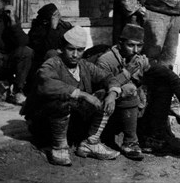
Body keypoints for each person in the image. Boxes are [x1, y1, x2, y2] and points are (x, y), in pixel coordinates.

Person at [20, 26, 122, 166]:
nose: (75, 54)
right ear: (62, 48)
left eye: (80, 50)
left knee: (104, 95)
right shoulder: (52, 64)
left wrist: (112, 93)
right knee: (61, 98)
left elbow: (108, 77)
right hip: (45, 125)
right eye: (71, 49)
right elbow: (46, 84)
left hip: (72, 123)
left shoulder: (84, 65)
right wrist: (83, 94)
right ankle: (59, 147)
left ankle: (91, 143)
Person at [96, 24, 180, 159]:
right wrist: (128, 72)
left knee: (163, 84)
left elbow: (167, 75)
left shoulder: (139, 59)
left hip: (130, 111)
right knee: (129, 89)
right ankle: (129, 142)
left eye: (139, 46)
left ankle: (155, 136)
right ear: (120, 43)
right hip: (107, 112)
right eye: (130, 45)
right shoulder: (105, 61)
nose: (135, 50)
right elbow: (106, 89)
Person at [28, 3, 72, 86]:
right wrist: (53, 28)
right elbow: (47, 48)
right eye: (55, 15)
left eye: (58, 14)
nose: (58, 17)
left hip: (64, 59)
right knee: (52, 53)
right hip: (43, 62)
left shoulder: (64, 26)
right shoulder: (37, 29)